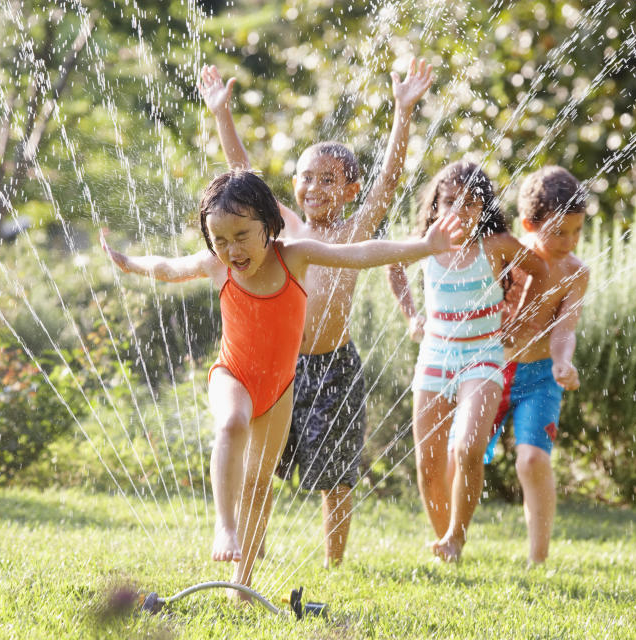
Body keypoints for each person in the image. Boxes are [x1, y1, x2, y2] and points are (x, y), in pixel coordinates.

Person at [101, 170, 462, 594]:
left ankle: (242, 583)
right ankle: (224, 526)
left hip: (279, 391)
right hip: (232, 374)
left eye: (241, 235)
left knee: (258, 483)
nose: (231, 250)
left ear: (269, 225)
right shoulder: (217, 266)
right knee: (232, 422)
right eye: (219, 240)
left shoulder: (295, 256)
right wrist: (129, 263)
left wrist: (425, 246)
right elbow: (166, 267)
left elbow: (362, 252)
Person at [198, 58, 435, 567]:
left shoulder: (351, 231)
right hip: (276, 368)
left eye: (328, 180)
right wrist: (223, 116)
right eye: (305, 178)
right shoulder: (280, 229)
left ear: (350, 190)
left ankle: (333, 562)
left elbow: (389, 181)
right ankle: (248, 546)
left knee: (336, 471)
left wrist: (402, 112)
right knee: (259, 465)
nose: (313, 189)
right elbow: (241, 180)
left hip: (334, 366)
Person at [387, 160, 548, 562]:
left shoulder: (497, 247)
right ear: (436, 205)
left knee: (468, 448)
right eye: (450, 202)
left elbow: (541, 271)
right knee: (428, 460)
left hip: (483, 357)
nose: (459, 211)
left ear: (484, 208)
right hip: (436, 355)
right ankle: (445, 542)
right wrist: (411, 315)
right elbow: (392, 264)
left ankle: (457, 536)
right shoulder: (425, 244)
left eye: (471, 203)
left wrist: (521, 320)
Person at [481, 166, 590, 565]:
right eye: (560, 232)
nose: (570, 241)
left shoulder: (575, 272)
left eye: (577, 231)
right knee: (467, 452)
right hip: (492, 370)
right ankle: (452, 537)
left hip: (541, 375)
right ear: (529, 223)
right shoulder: (508, 258)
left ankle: (537, 560)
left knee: (532, 460)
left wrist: (563, 361)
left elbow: (565, 328)